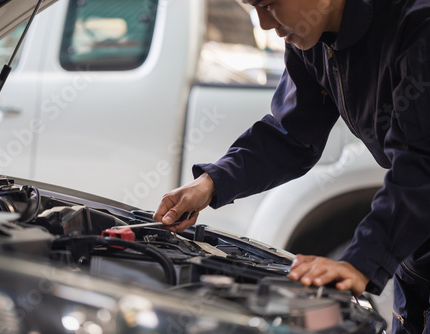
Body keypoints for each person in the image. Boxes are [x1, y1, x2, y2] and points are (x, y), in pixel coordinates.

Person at [153, 0, 430, 332]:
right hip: (417, 248)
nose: (264, 24)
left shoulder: (419, 26)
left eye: (269, 5)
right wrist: (210, 183)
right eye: (253, 7)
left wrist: (361, 262)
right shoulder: (314, 38)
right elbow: (292, 134)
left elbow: (423, 161)